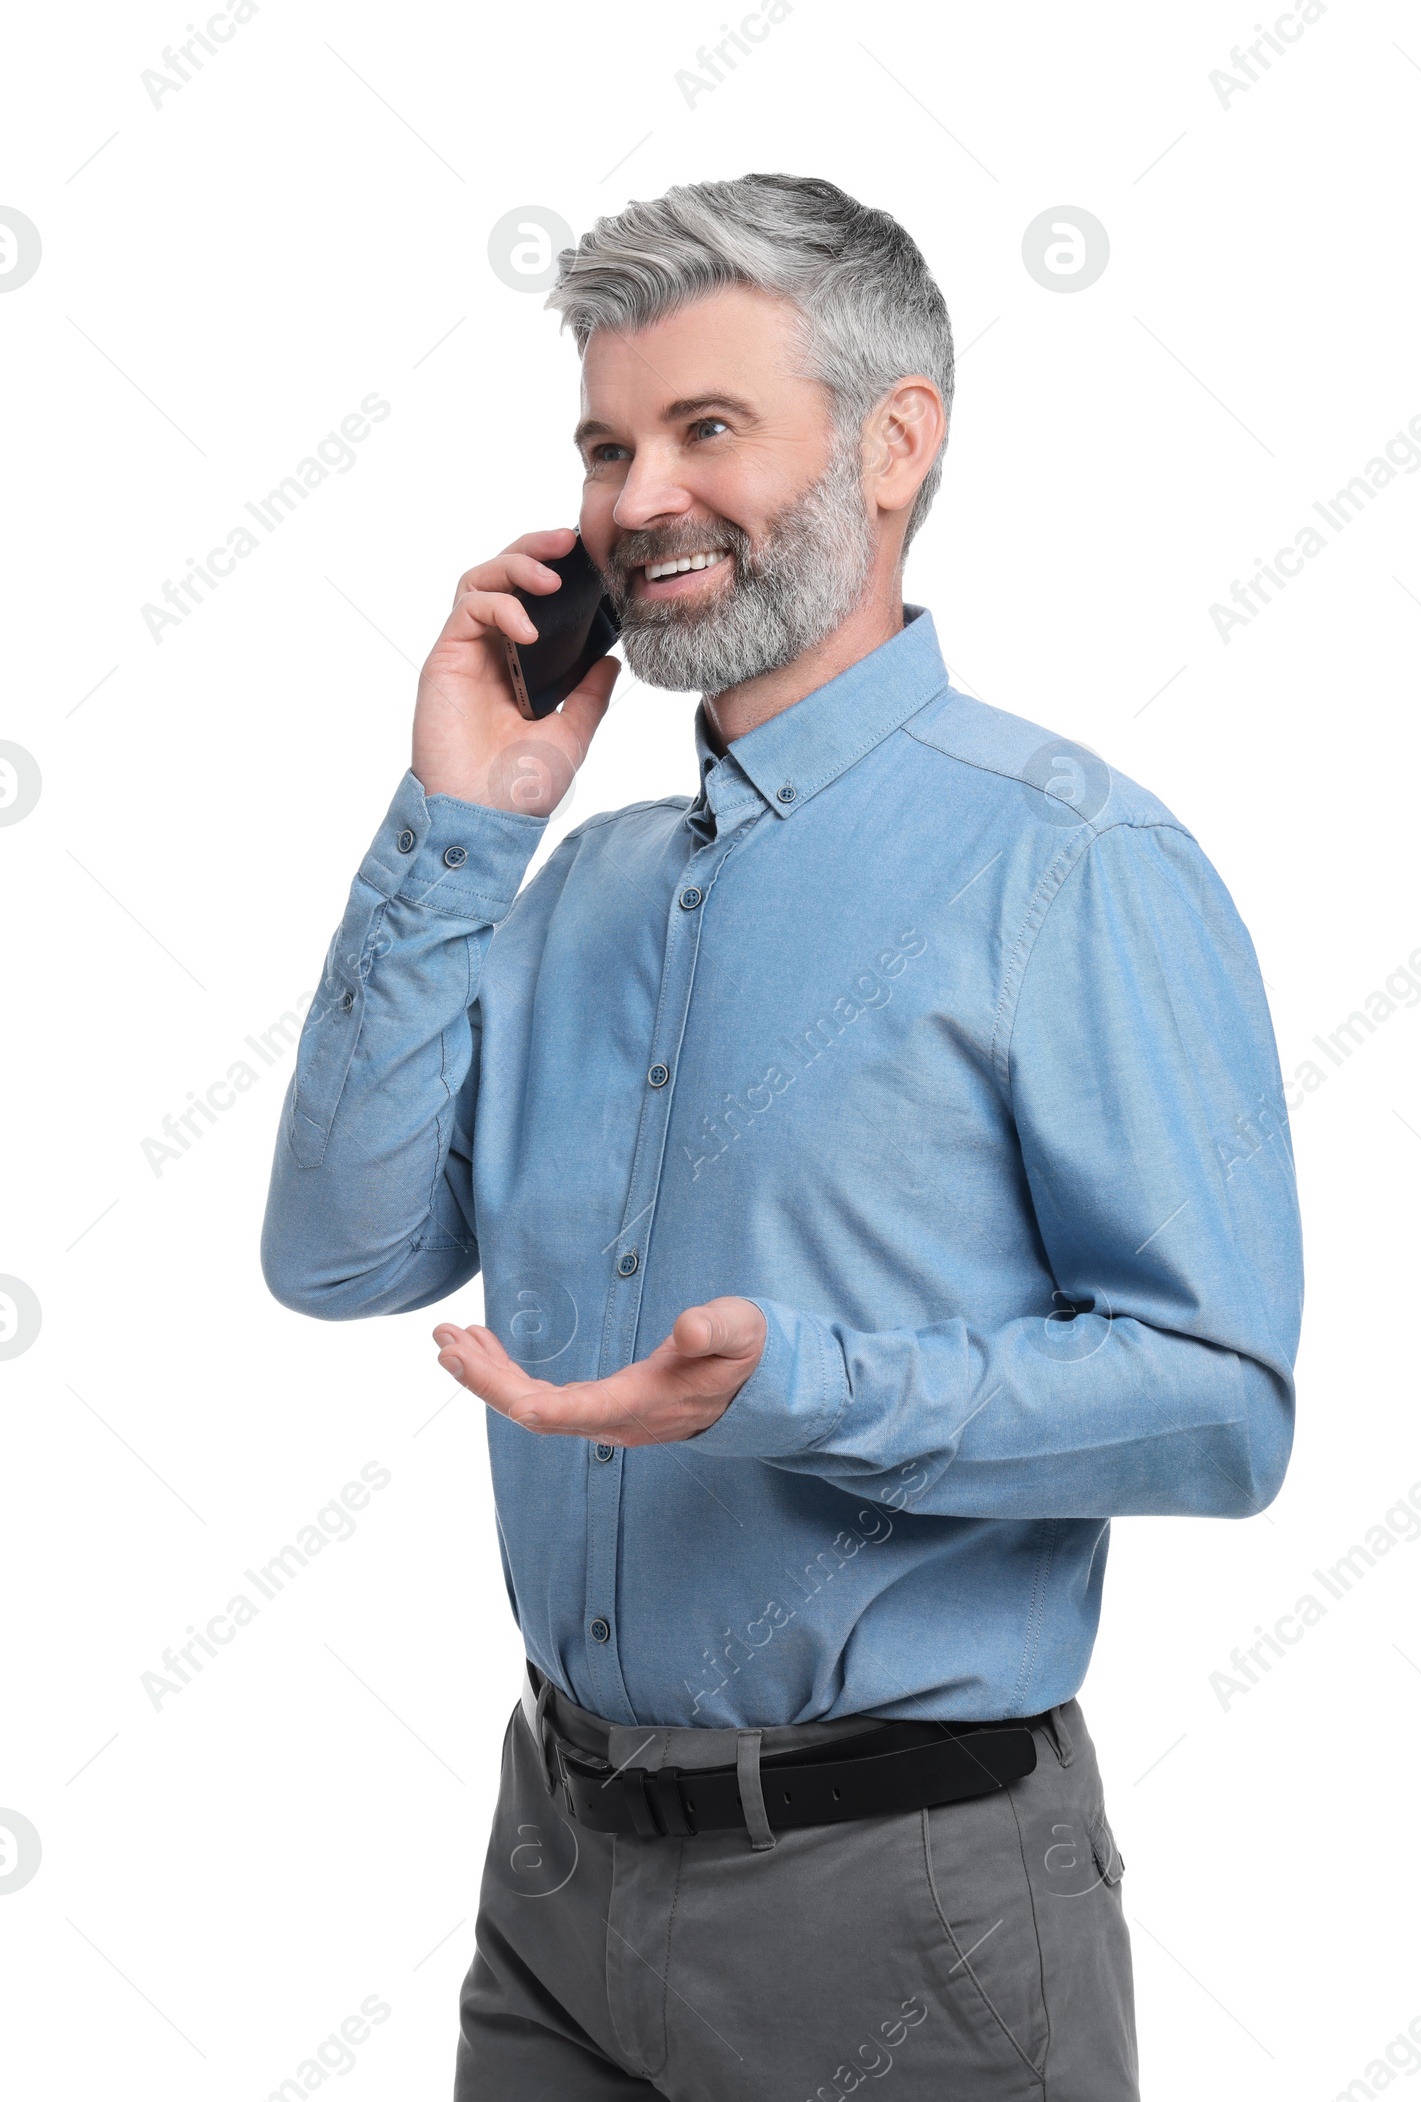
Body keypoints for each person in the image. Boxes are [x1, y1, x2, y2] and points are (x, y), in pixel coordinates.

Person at [261, 171, 1302, 2102]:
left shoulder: (1070, 861)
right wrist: (462, 821)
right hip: (556, 1878)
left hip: (907, 1904)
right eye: (604, 442)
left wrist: (796, 1387)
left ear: (896, 444)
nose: (637, 494)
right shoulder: (568, 889)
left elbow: (1224, 1410)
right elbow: (334, 1252)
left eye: (705, 427)